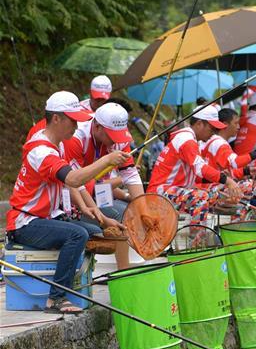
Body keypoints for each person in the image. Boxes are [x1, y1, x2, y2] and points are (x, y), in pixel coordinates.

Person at [6, 91, 129, 314]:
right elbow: (73, 178)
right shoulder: (41, 151)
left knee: (91, 230)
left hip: (45, 217)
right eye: (73, 120)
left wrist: (101, 219)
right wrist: (105, 161)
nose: (76, 126)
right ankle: (57, 298)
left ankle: (77, 287)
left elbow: (72, 185)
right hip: (25, 222)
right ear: (56, 118)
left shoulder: (59, 145)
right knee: (77, 235)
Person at [62, 102, 144, 269]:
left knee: (131, 212)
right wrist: (102, 218)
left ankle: (124, 272)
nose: (116, 141)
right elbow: (75, 183)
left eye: (119, 136)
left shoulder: (120, 140)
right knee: (118, 217)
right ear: (97, 127)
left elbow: (130, 174)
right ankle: (122, 270)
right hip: (67, 192)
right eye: (112, 136)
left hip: (93, 191)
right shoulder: (76, 138)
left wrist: (143, 209)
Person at [147, 104, 242, 226]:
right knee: (200, 197)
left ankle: (216, 224)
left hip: (174, 190)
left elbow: (195, 175)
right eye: (211, 129)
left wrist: (218, 180)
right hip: (159, 192)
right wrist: (227, 180)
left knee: (215, 193)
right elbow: (201, 169)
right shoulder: (187, 140)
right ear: (199, 124)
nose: (213, 133)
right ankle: (197, 238)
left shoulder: (189, 138)